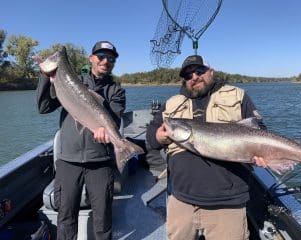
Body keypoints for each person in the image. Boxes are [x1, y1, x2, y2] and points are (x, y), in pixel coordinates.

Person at [146, 55, 267, 240]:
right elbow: (151, 138)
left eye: (199, 71)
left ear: (211, 72)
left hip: (227, 202)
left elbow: (260, 130)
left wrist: (261, 154)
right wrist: (159, 136)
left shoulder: (238, 95)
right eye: (188, 75)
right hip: (181, 198)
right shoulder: (171, 104)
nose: (194, 77)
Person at [36, 41, 125, 240]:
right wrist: (45, 77)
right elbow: (43, 107)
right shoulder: (70, 81)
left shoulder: (116, 90)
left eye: (111, 58)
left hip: (101, 162)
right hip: (68, 161)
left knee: (103, 219)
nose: (106, 61)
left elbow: (115, 120)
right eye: (101, 56)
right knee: (66, 218)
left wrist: (108, 134)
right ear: (91, 58)